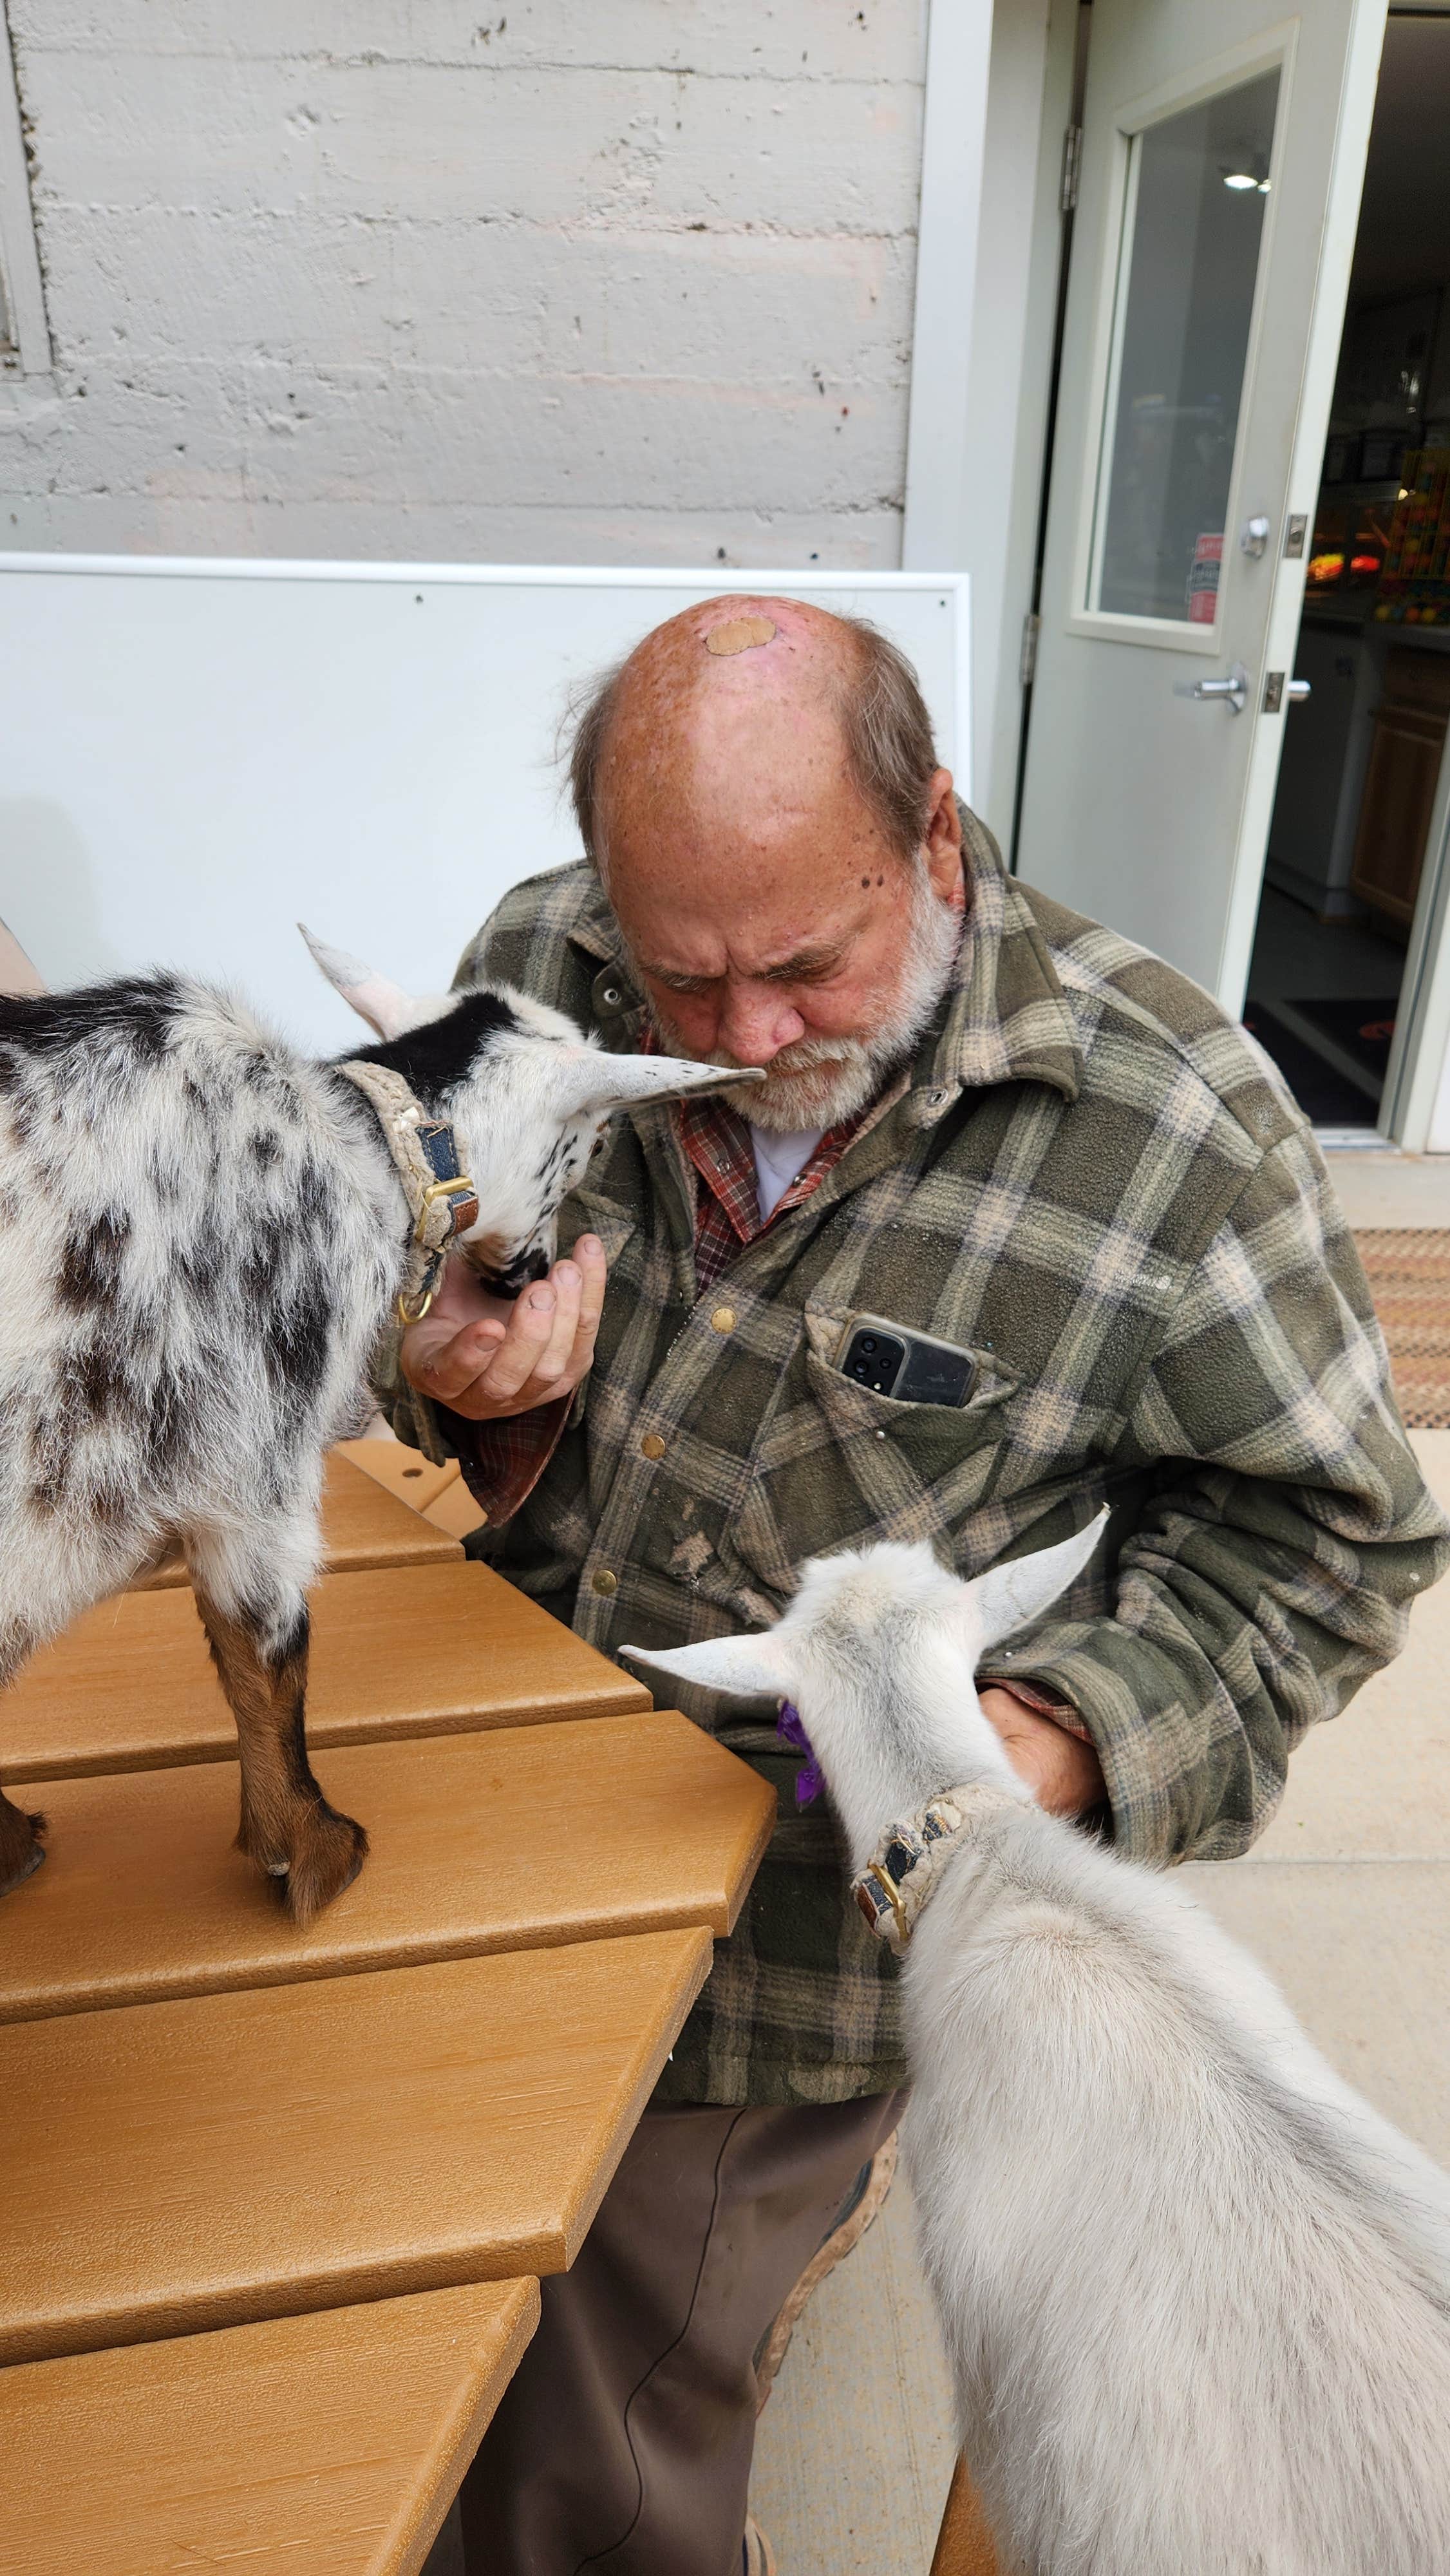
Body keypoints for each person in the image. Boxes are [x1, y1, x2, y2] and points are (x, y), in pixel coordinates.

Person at [382, 596, 1449, 2576]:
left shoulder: (1171, 1131)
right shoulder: (540, 964)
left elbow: (1328, 1539)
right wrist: (451, 1372)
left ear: (937, 837)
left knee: (587, 2433)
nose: (737, 1040)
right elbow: (417, 1273)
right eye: (676, 981)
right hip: (486, 1800)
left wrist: (1054, 1740)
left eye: (804, 964)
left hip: (783, 1960)